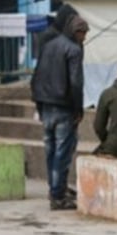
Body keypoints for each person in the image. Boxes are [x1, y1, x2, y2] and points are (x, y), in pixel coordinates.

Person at [30, 14, 89, 210]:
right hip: (63, 107)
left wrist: (38, 104)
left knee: (51, 150)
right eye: (83, 33)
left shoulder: (49, 45)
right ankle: (57, 196)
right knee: (62, 152)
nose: (85, 38)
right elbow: (76, 83)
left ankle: (56, 188)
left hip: (45, 104)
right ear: (77, 32)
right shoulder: (73, 50)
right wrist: (78, 109)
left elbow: (36, 76)